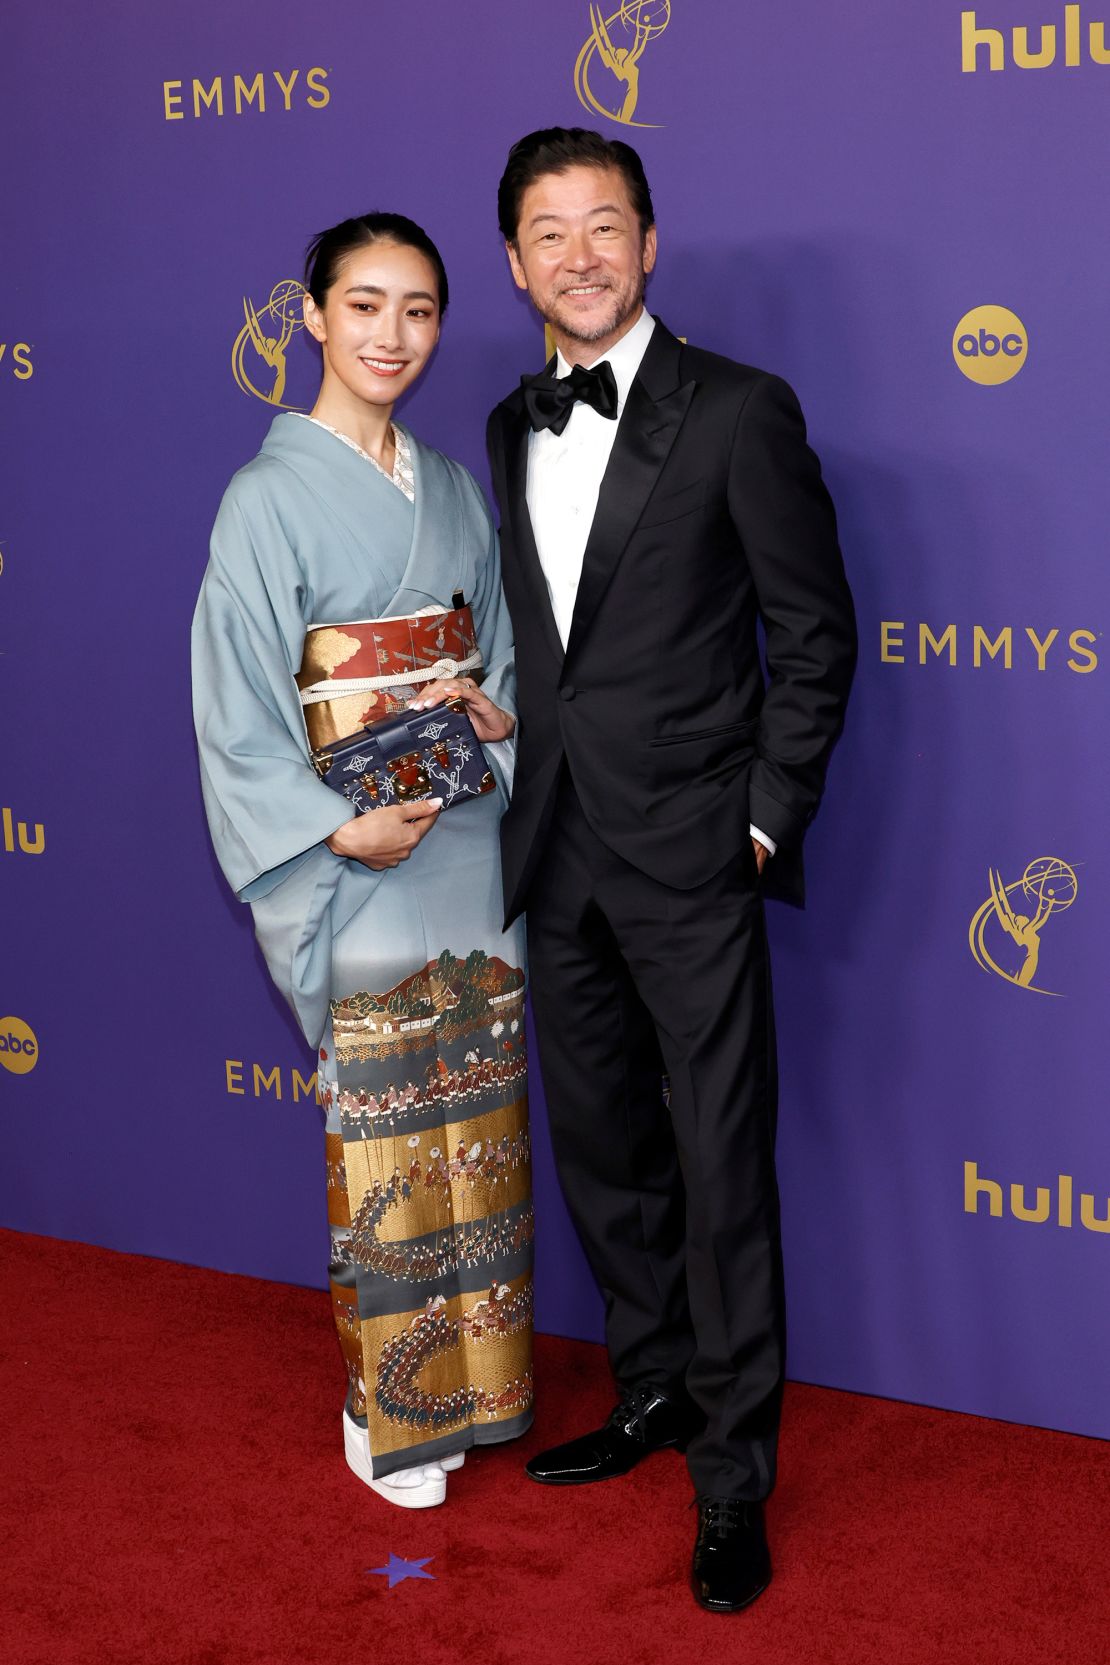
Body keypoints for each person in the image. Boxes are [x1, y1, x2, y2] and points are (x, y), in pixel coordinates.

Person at [485, 129, 856, 1610]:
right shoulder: (512, 422)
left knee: (718, 1170)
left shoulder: (740, 412)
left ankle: (732, 1478)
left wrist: (760, 819)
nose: (577, 254)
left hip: (693, 855)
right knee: (603, 1152)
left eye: (602, 225)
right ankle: (649, 1388)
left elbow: (813, 635)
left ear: (648, 242)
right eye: (545, 232)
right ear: (515, 264)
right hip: (553, 847)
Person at [192, 212, 534, 1510]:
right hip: (358, 857)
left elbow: (494, 651)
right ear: (313, 316)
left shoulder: (448, 485)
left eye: (420, 310)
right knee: (389, 1132)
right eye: (367, 305)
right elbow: (235, 707)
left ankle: (484, 1378)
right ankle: (387, 1405)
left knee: (478, 1119)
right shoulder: (266, 499)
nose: (394, 334)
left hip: (458, 843)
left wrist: (489, 728)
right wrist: (335, 824)